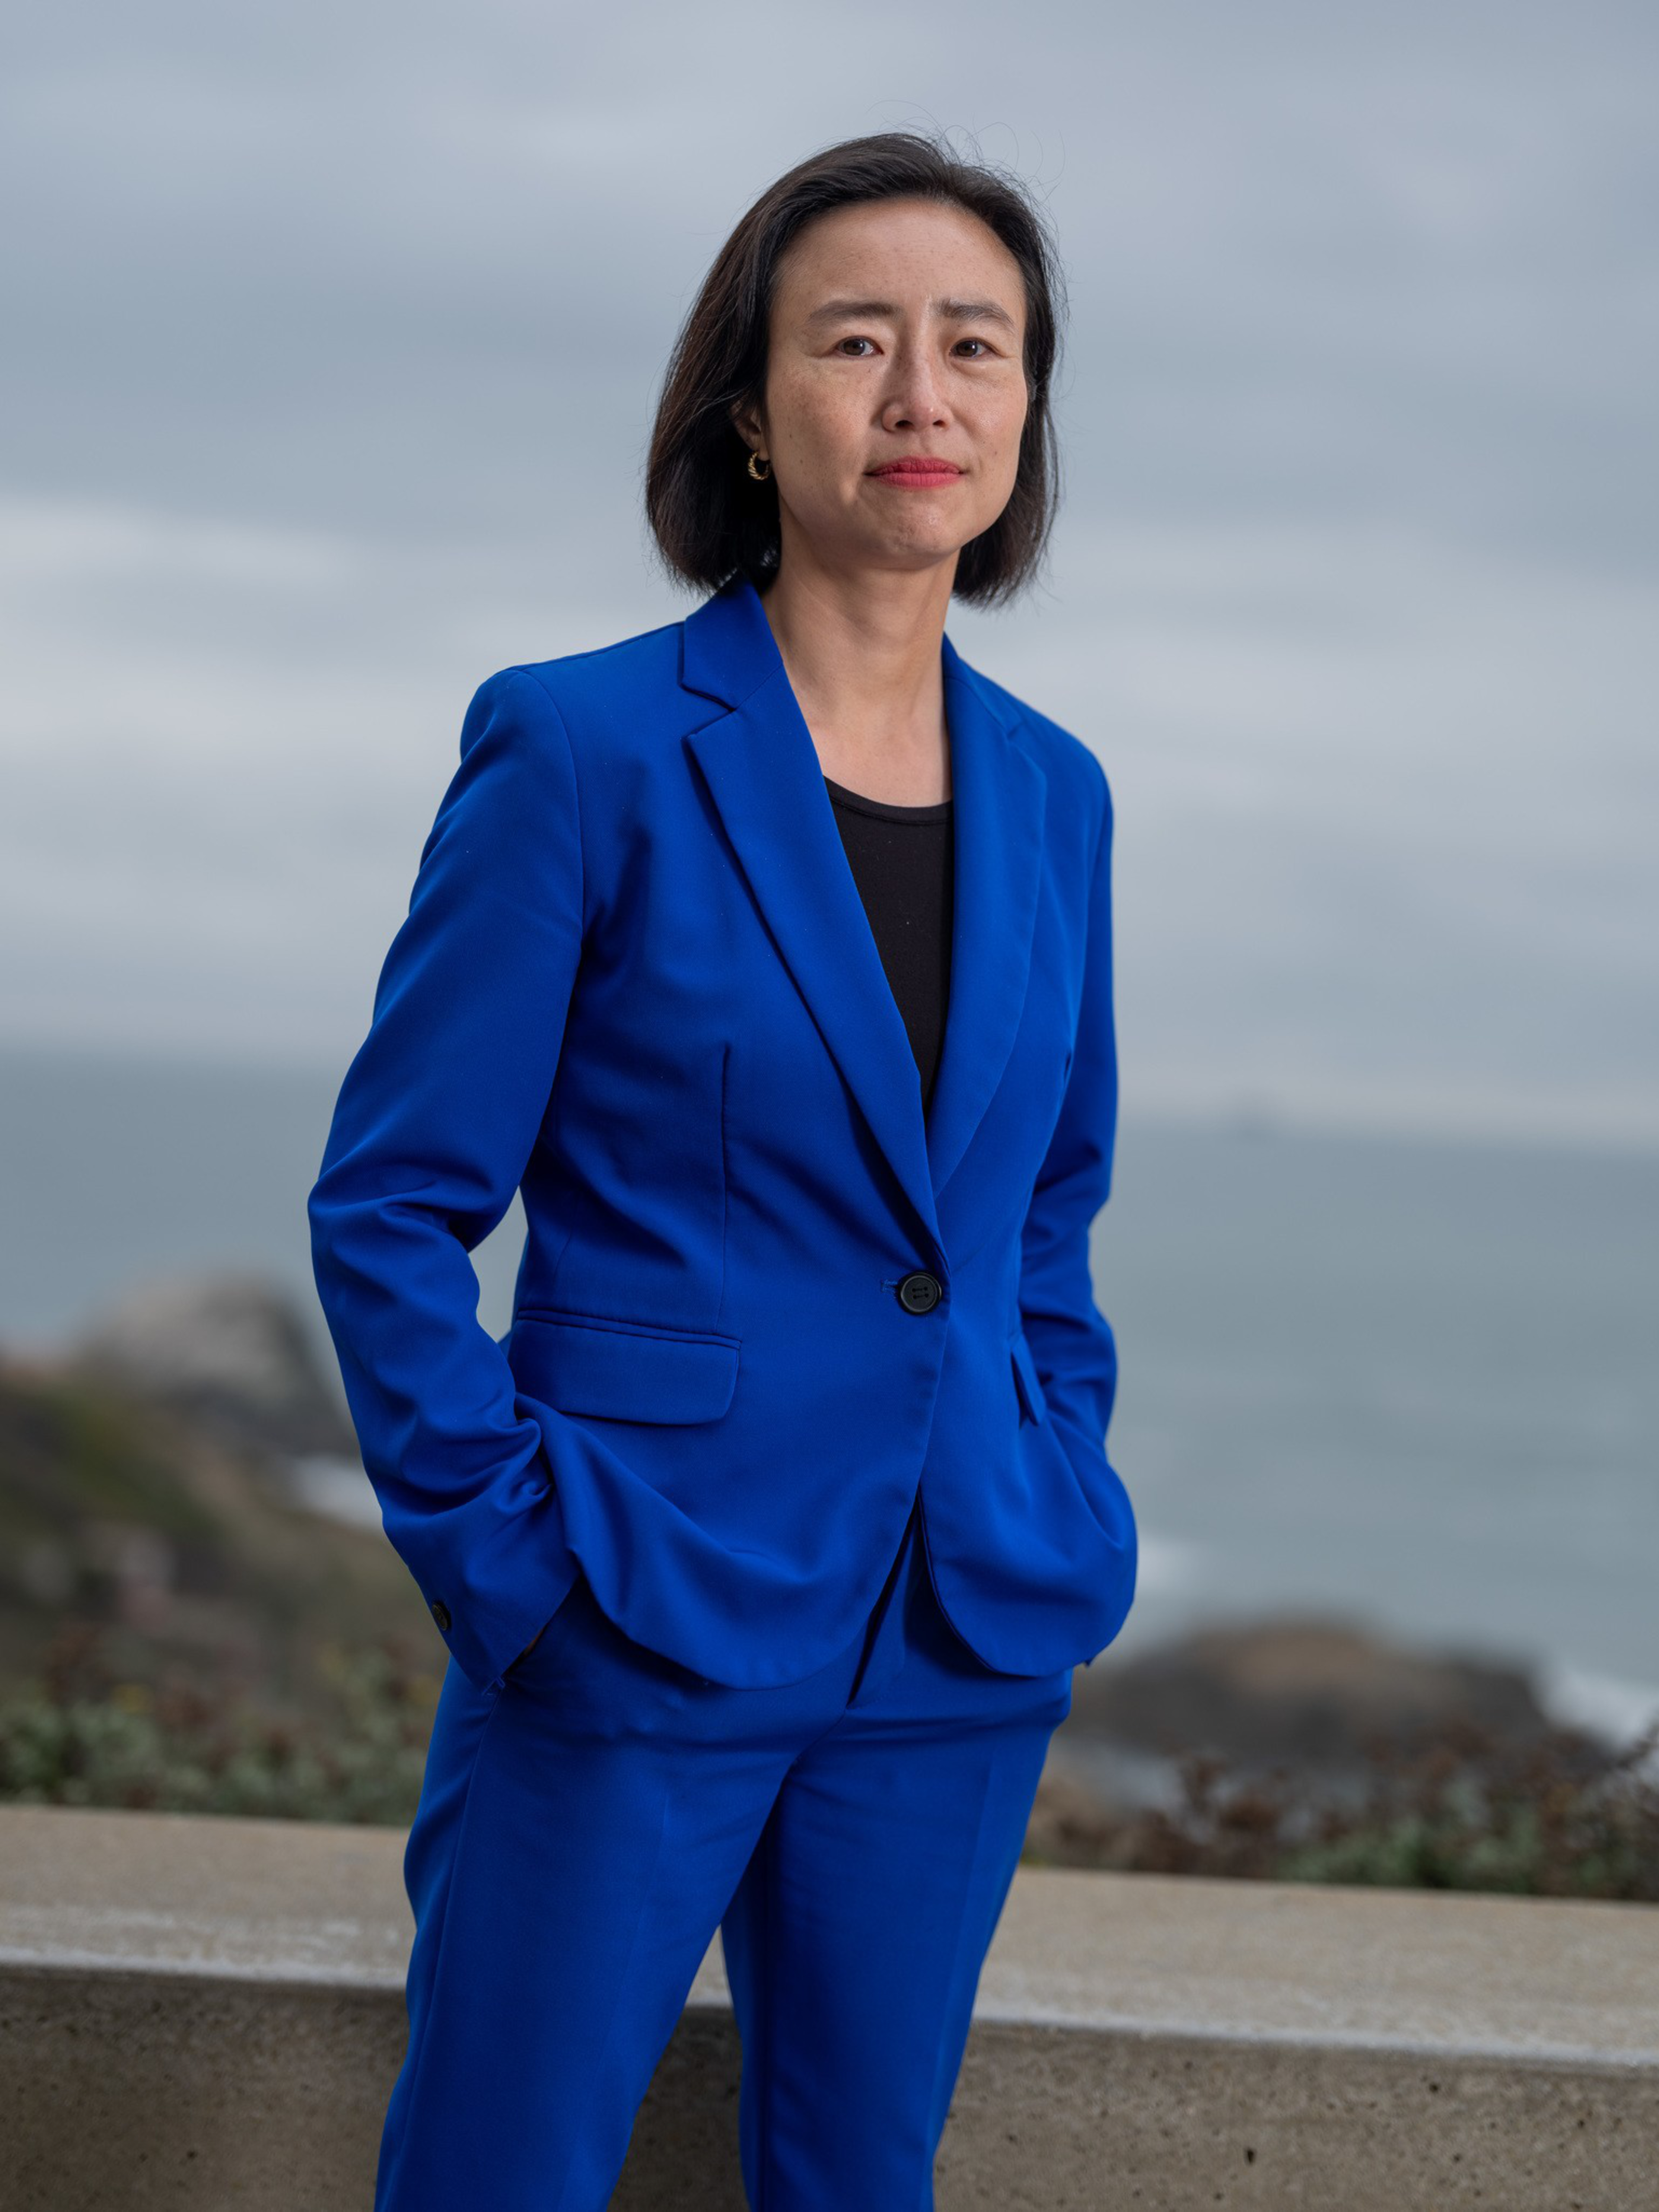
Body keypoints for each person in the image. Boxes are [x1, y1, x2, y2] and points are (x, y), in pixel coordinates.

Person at [307, 127, 1137, 2212]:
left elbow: (1039, 1208)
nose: (920, 395)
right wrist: (514, 1566)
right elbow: (393, 1201)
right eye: (855, 341)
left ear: (1026, 414)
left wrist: (1056, 1465)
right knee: (497, 2175)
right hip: (629, 1594)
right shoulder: (579, 747)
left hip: (952, 1628)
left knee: (857, 2184)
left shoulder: (1056, 796)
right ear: (750, 411)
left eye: (978, 347)